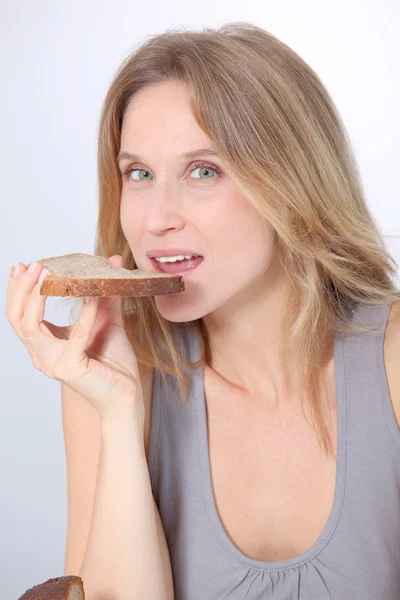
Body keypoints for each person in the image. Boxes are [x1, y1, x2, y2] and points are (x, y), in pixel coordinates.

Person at [6, 21, 400, 600]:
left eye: (203, 170)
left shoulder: (390, 361)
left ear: (292, 184)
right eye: (138, 173)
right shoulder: (112, 374)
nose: (155, 217)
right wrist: (117, 412)